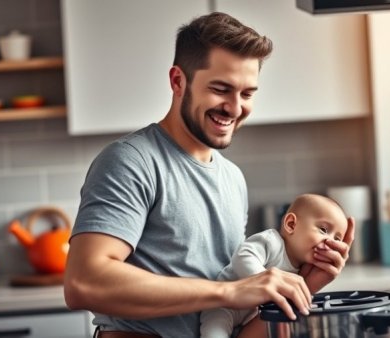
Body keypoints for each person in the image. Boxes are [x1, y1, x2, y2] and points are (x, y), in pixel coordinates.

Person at [63, 12, 355, 338]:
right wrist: (228, 292)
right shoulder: (131, 161)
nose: (234, 107)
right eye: (220, 89)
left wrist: (306, 284)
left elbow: (235, 328)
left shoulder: (232, 179)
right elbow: (83, 283)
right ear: (178, 81)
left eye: (246, 94)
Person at [200, 193, 349, 338]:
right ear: (291, 224)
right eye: (323, 230)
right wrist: (263, 281)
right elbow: (243, 255)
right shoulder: (272, 241)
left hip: (251, 313)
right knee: (214, 332)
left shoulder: (303, 268)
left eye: (337, 238)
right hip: (224, 305)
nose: (330, 242)